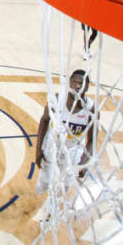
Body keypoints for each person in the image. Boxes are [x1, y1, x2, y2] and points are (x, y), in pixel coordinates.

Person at [35, 69, 96, 197]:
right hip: (52, 144)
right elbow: (44, 120)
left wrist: (84, 162)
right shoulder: (57, 100)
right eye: (75, 82)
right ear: (70, 82)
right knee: (44, 182)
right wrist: (38, 149)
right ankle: (39, 197)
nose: (78, 86)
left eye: (82, 83)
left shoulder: (91, 109)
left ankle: (51, 211)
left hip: (73, 150)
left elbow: (92, 140)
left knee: (65, 186)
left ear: (87, 87)